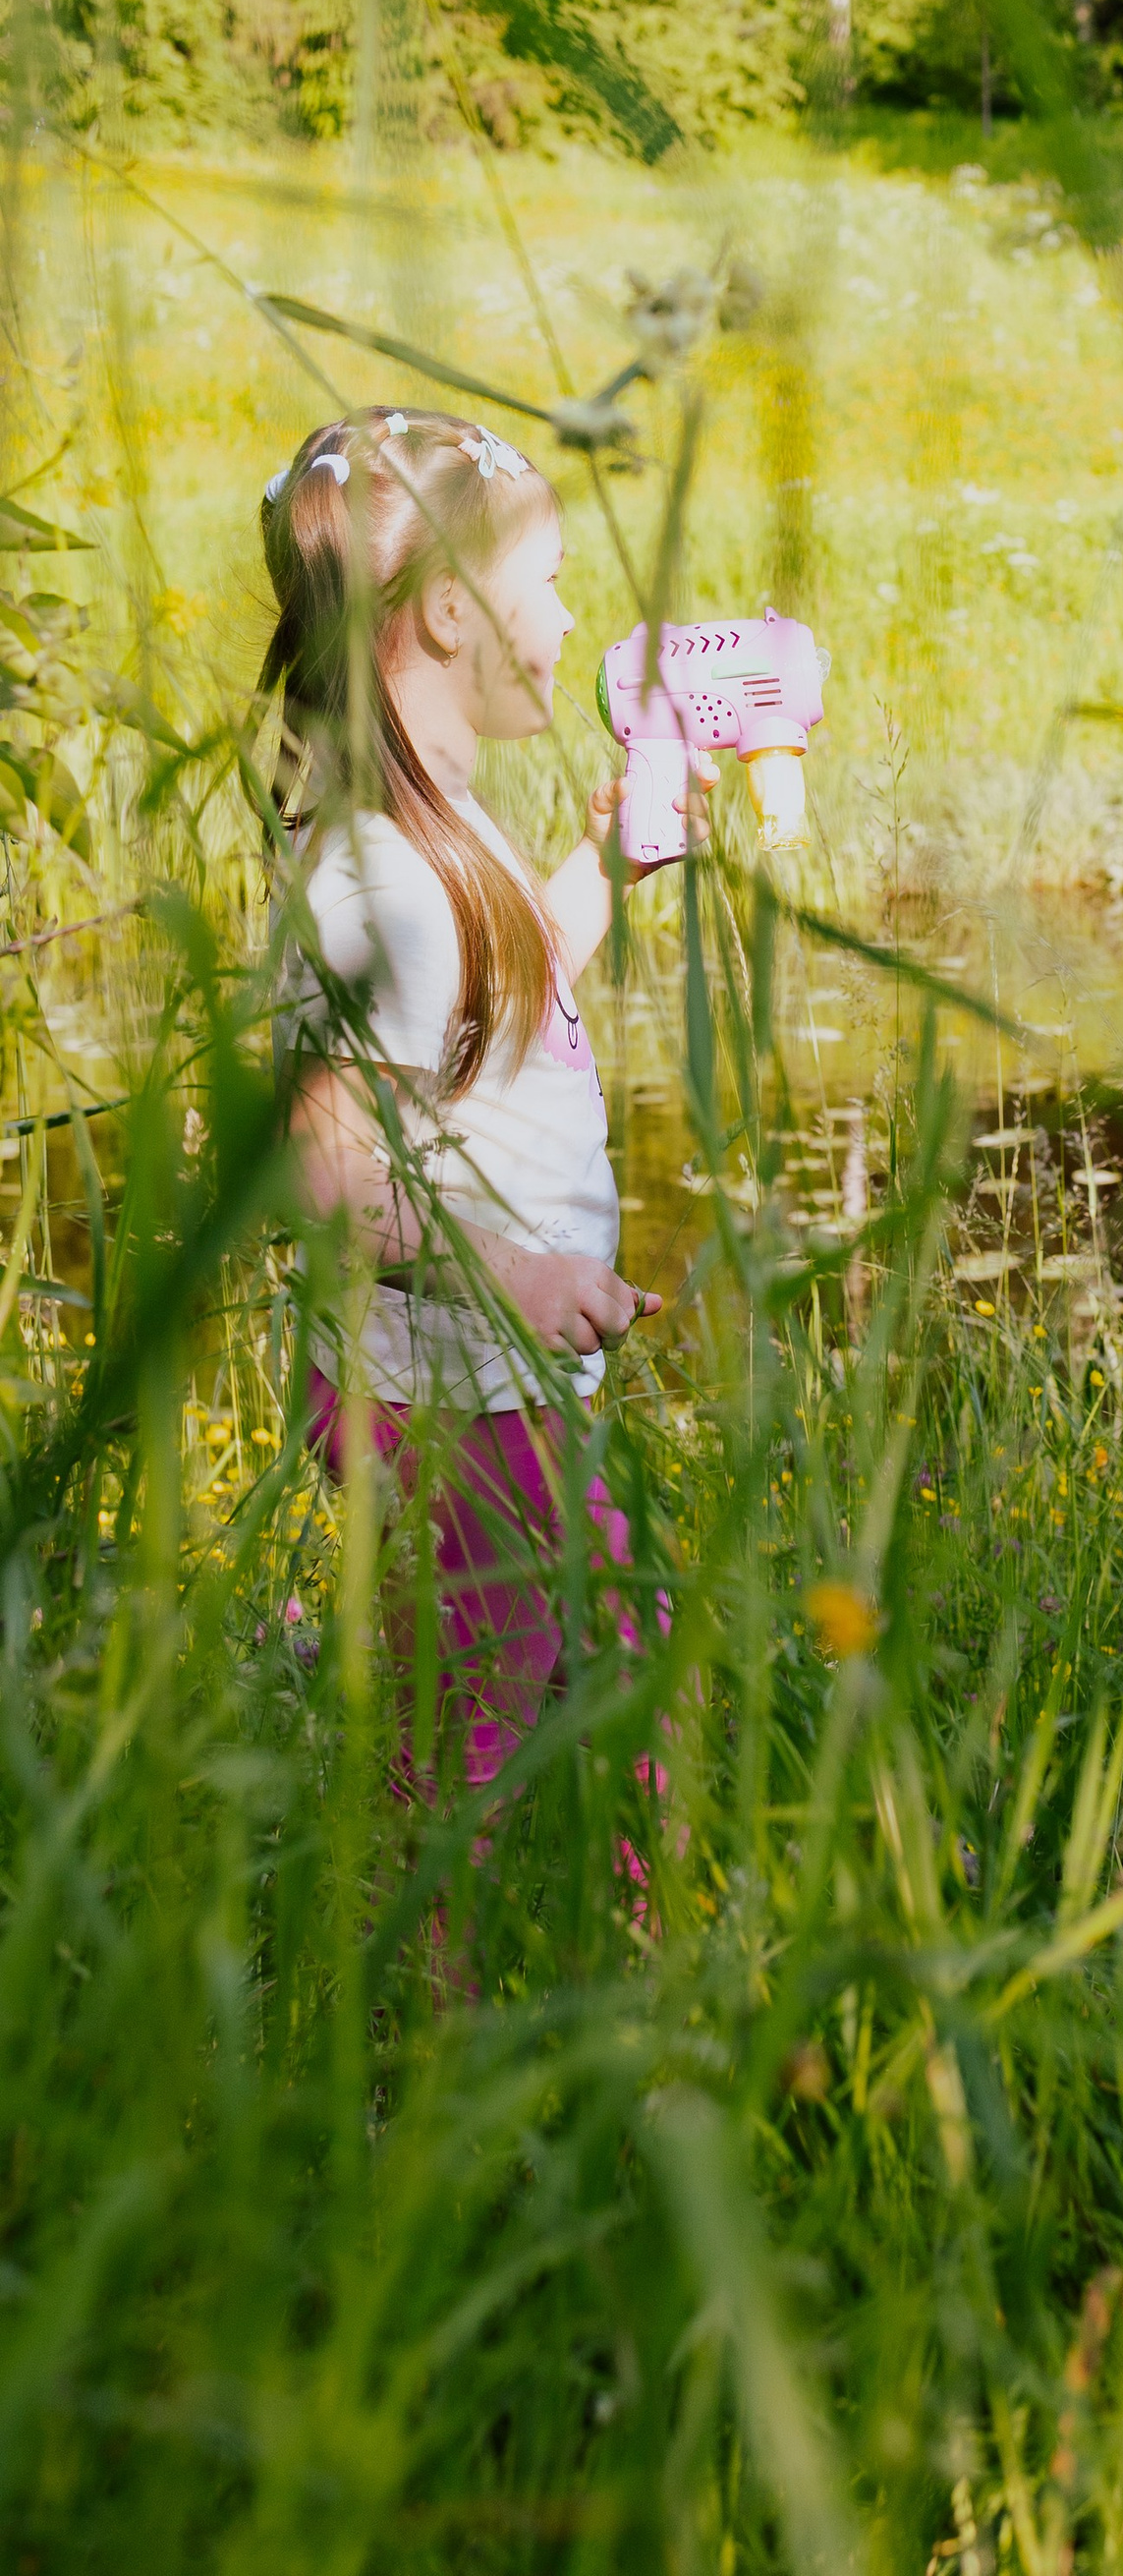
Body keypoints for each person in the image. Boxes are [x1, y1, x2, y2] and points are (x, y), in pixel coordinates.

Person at [260, 407, 674, 1856]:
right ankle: (438, 2018)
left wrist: (609, 860)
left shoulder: (441, 823)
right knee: (512, 1717)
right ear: (445, 613)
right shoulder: (368, 879)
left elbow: (511, 981)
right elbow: (329, 1187)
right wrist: (521, 1275)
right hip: (448, 1398)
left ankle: (600, 1963)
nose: (570, 617)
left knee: (576, 1668)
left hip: (492, 1385)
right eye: (547, 583)